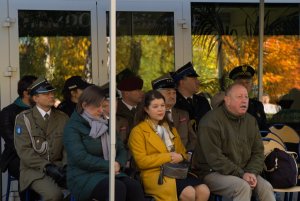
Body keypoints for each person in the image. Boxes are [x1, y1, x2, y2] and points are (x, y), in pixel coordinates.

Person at [191, 83, 275, 201]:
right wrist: (241, 174)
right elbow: (215, 158)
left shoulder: (251, 121)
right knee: (242, 187)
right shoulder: (210, 121)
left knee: (266, 187)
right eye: (239, 97)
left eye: (246, 97)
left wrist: (251, 172)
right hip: (212, 172)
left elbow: (258, 152)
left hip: (245, 171)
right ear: (227, 100)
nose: (244, 100)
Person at [63, 85, 145, 201]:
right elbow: (80, 158)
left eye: (102, 105)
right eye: (97, 106)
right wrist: (109, 166)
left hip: (109, 172)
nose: (101, 110)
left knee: (134, 186)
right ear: (84, 105)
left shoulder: (106, 123)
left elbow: (121, 149)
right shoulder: (72, 127)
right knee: (117, 188)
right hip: (83, 176)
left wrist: (118, 163)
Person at [128, 90, 210, 201]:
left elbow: (183, 153)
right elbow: (141, 162)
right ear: (146, 109)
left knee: (204, 190)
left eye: (162, 105)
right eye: (155, 106)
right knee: (189, 193)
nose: (160, 109)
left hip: (176, 171)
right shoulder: (138, 131)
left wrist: (181, 156)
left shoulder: (170, 128)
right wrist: (169, 157)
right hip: (155, 174)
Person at [14, 77, 69, 201]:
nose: (51, 96)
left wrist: (66, 166)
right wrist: (47, 167)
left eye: (52, 93)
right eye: (46, 93)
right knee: (54, 195)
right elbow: (24, 151)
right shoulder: (24, 119)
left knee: (83, 188)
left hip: (59, 167)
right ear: (35, 98)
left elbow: (68, 145)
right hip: (34, 170)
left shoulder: (62, 118)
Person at [0, 75, 37, 200]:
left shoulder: (43, 110)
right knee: (28, 171)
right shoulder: (7, 112)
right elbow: (12, 141)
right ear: (26, 93)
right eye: (37, 89)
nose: (42, 93)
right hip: (16, 156)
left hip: (42, 154)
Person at [152, 73, 197, 151]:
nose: (172, 96)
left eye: (174, 93)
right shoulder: (149, 115)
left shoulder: (183, 114)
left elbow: (193, 139)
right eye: (168, 93)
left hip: (183, 159)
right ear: (157, 95)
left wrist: (187, 155)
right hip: (160, 160)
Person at [172, 62, 211, 132]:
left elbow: (210, 125)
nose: (198, 82)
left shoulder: (202, 101)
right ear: (182, 82)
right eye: (194, 79)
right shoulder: (173, 102)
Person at [116, 68, 144, 146]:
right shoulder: (115, 110)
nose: (141, 93)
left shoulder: (146, 109)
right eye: (137, 90)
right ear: (126, 93)